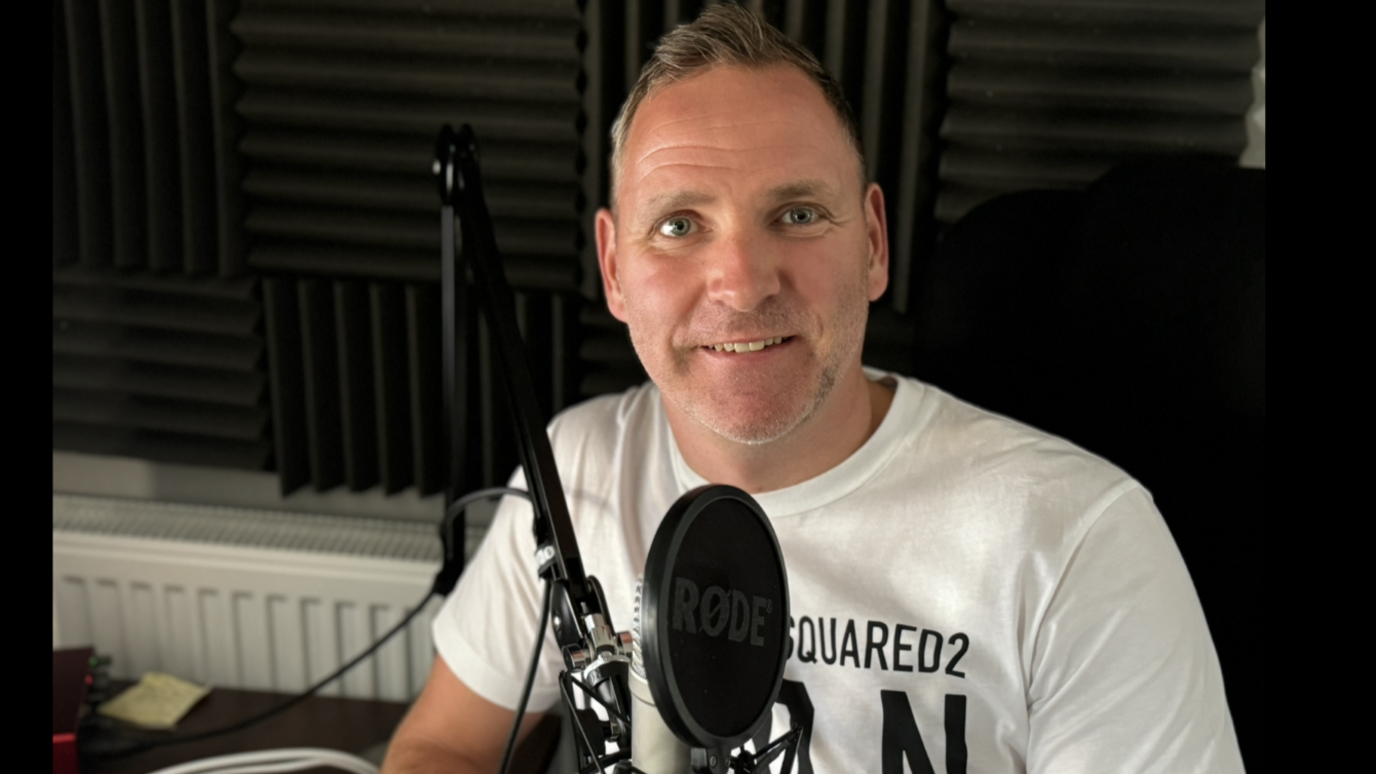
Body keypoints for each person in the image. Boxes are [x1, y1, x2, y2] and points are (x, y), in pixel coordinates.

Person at [382, 6, 1243, 773]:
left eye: (795, 215)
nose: (743, 282)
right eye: (680, 225)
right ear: (614, 268)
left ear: (872, 242)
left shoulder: (1080, 541)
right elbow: (443, 743)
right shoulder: (577, 466)